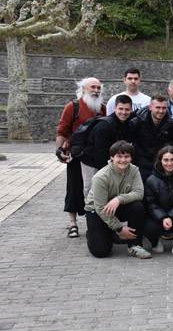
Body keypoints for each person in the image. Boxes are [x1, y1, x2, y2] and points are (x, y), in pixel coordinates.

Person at [55, 77, 105, 238]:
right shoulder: (73, 106)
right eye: (93, 87)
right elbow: (62, 130)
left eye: (98, 88)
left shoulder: (102, 108)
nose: (96, 90)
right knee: (74, 187)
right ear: (84, 89)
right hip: (76, 154)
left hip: (95, 156)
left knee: (95, 189)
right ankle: (72, 223)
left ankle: (95, 222)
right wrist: (59, 150)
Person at [84, 141, 150, 259]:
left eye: (126, 156)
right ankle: (99, 233)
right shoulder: (101, 177)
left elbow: (139, 193)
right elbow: (100, 208)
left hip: (118, 206)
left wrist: (118, 199)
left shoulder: (134, 170)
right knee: (101, 252)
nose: (123, 160)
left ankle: (135, 246)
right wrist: (119, 228)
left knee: (138, 206)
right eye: (119, 156)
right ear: (111, 157)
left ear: (131, 158)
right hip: (97, 210)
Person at [80, 94, 137, 196]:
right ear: (115, 108)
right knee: (93, 191)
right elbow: (99, 153)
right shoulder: (104, 126)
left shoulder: (128, 124)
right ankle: (91, 211)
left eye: (127, 109)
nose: (123, 112)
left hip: (111, 161)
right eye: (121, 109)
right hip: (92, 162)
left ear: (131, 110)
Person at [134, 95, 173, 181]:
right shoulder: (137, 123)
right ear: (150, 107)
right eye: (158, 107)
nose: (161, 111)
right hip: (142, 165)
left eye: (164, 108)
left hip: (164, 165)